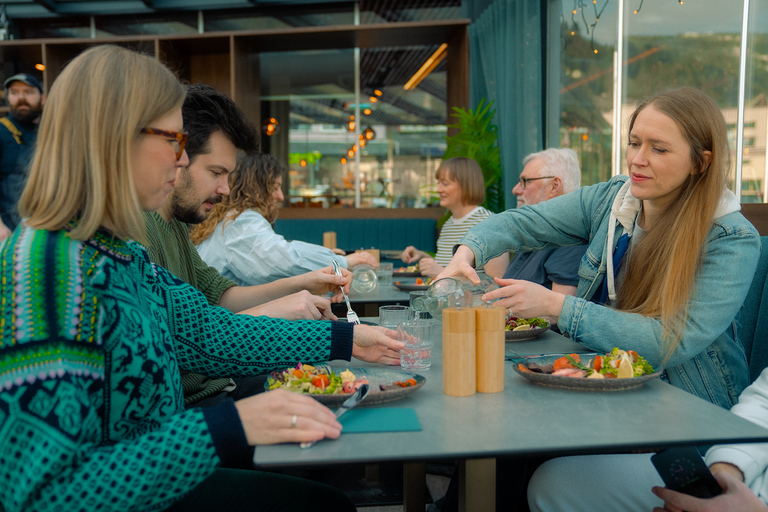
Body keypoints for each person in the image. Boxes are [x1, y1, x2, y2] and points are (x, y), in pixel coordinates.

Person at [0, 44, 402, 511]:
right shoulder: (47, 269)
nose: (180, 159)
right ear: (114, 137)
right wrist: (232, 425)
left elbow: (209, 331)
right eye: (173, 140)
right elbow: (43, 495)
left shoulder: (115, 250)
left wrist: (344, 340)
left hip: (159, 476)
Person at [435, 87, 761, 510]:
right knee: (501, 427)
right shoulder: (612, 200)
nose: (638, 158)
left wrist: (557, 307)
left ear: (702, 161)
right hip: (607, 388)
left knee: (519, 446)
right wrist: (467, 251)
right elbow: (524, 222)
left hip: (685, 417)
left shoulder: (731, 239)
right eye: (634, 142)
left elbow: (672, 342)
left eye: (658, 149)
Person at [191, 152, 378, 286]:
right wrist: (340, 262)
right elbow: (283, 261)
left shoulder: (230, 220)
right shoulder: (241, 222)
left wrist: (326, 255)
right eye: (275, 187)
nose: (280, 196)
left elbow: (275, 251)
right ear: (256, 188)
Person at [401, 157, 509, 278]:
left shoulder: (489, 224)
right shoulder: (449, 224)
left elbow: (497, 284)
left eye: (445, 184)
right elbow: (446, 266)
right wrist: (422, 256)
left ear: (466, 184)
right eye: (438, 183)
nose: (438, 189)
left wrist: (441, 273)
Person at [503, 148, 587, 296]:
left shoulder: (570, 240)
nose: (515, 190)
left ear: (554, 186)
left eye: (525, 182)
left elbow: (559, 313)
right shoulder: (537, 232)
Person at [0, 72, 45, 240]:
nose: (21, 98)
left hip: (45, 230)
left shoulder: (50, 132)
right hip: (10, 233)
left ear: (43, 98)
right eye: (14, 93)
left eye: (28, 92)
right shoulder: (2, 131)